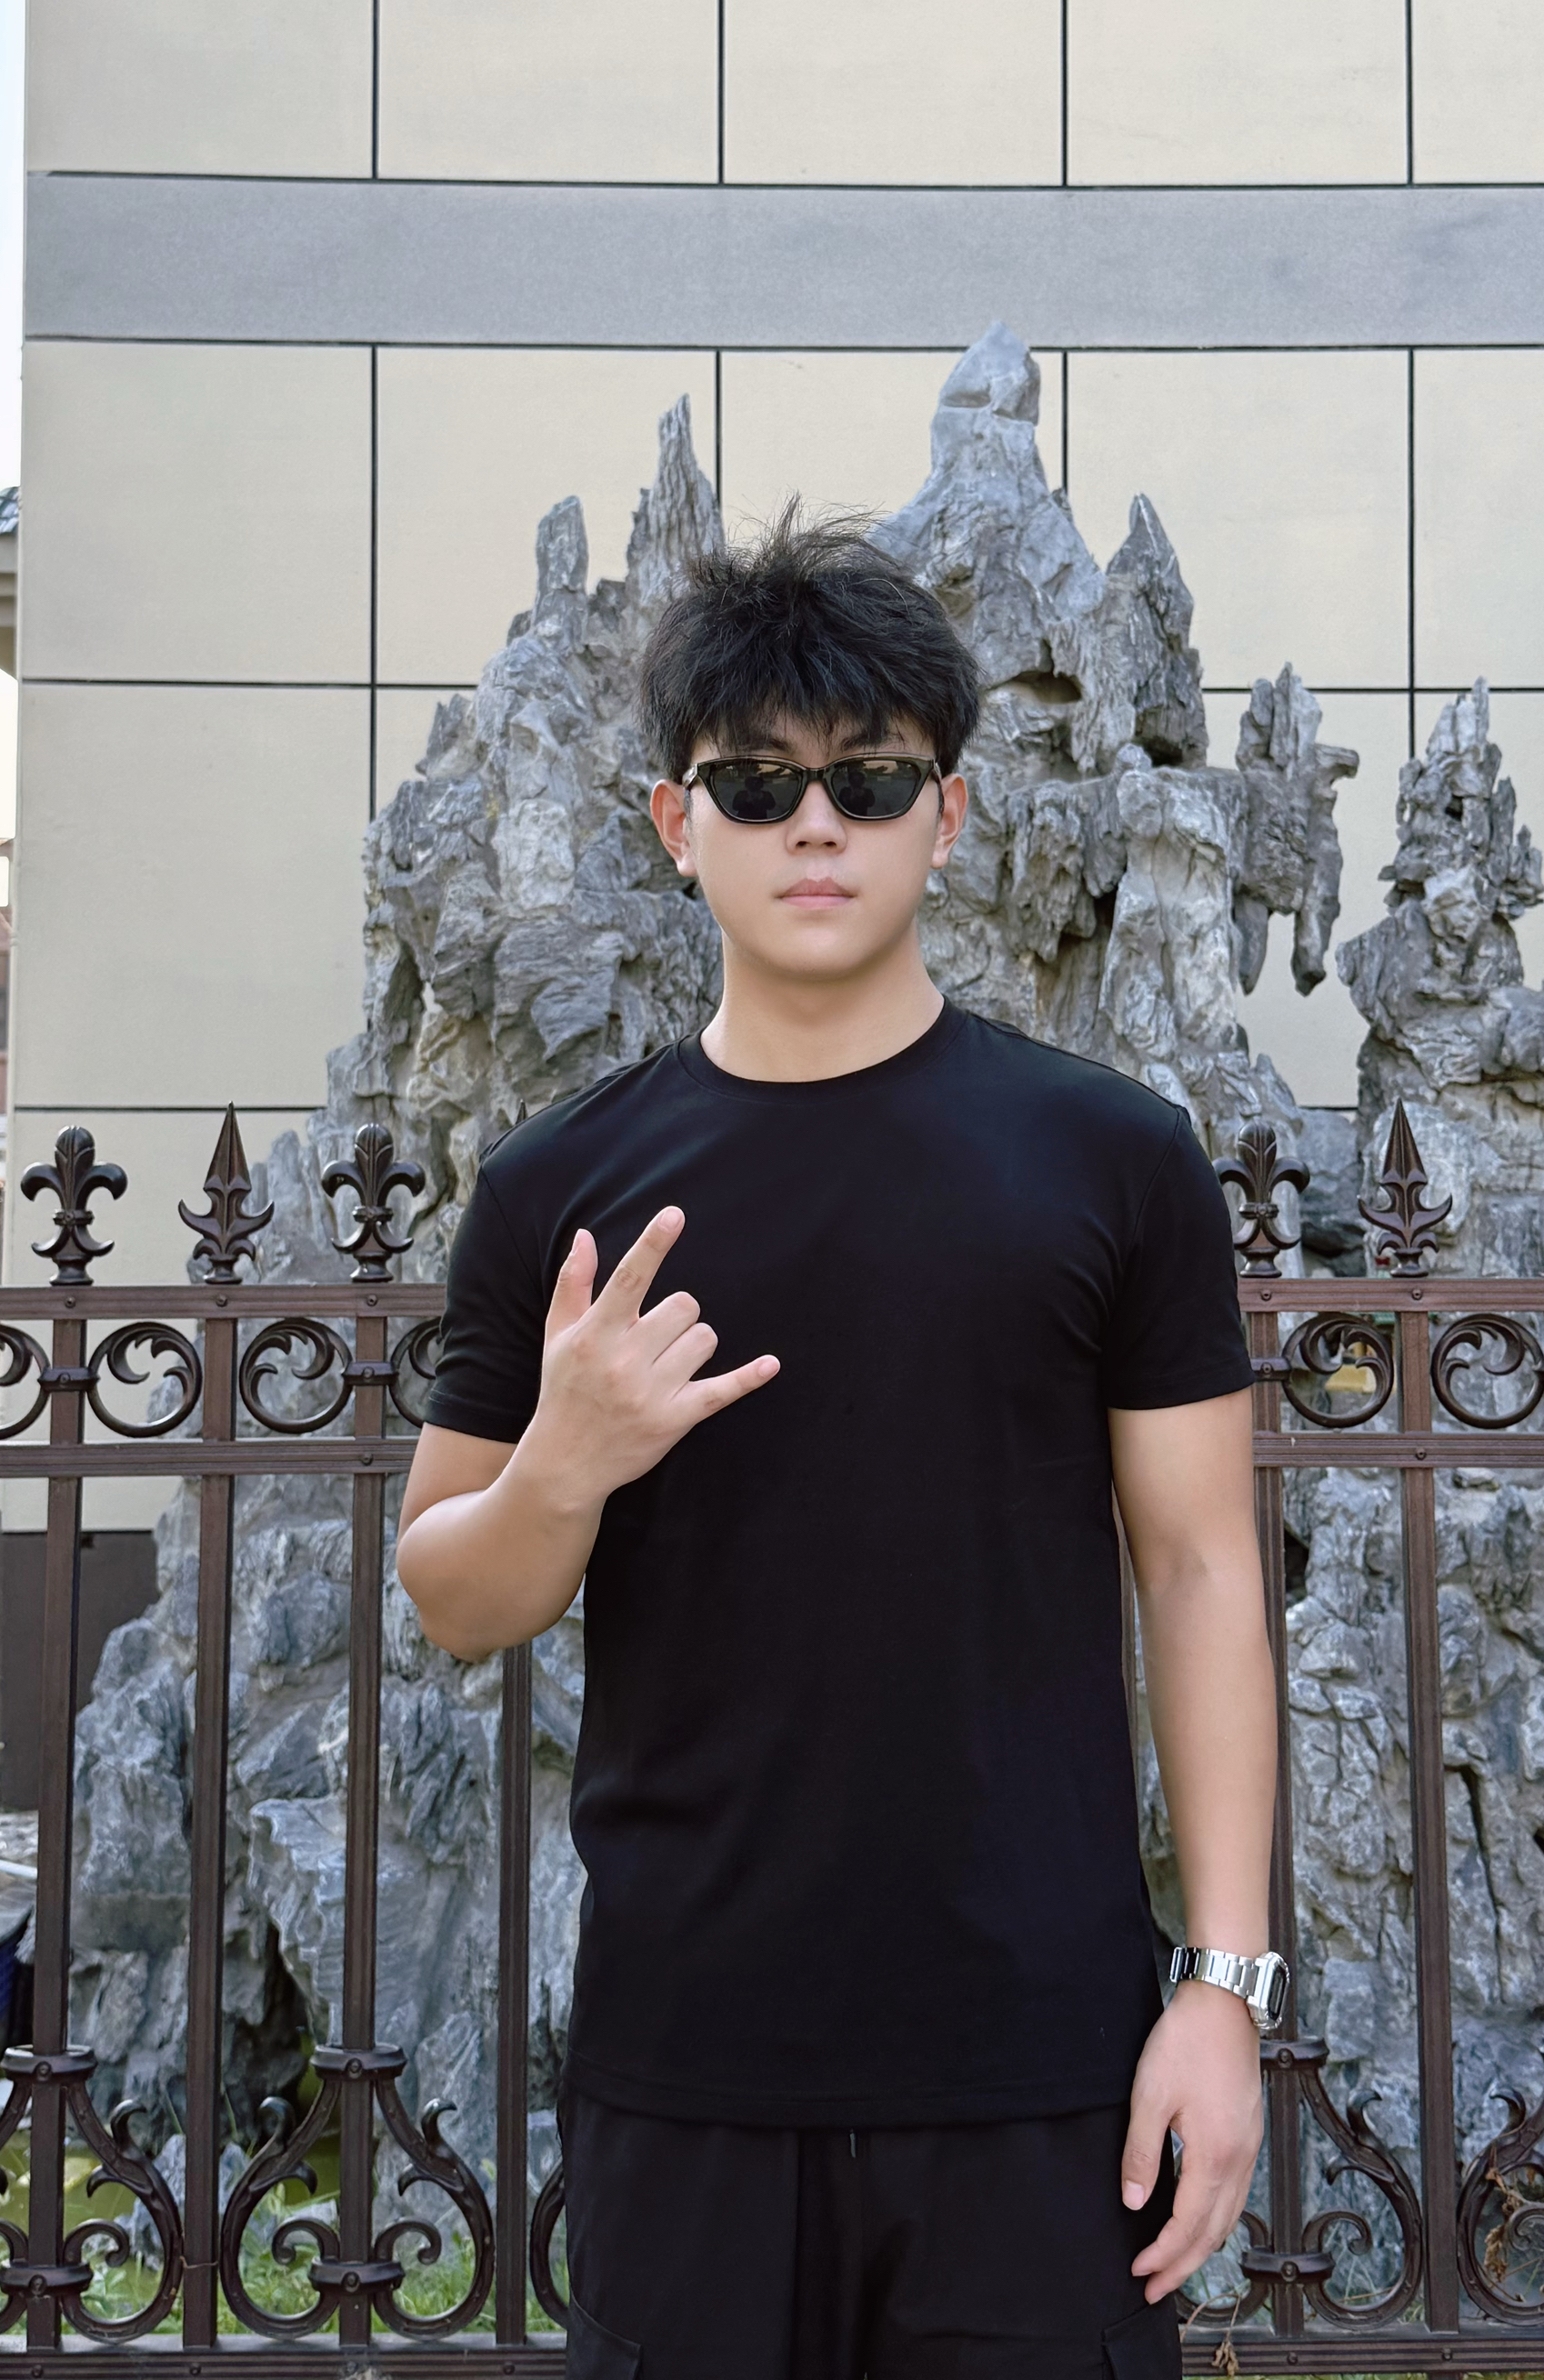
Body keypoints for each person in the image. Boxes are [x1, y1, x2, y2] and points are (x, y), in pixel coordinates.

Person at [396, 515, 1279, 2380]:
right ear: (675, 820)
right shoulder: (558, 1188)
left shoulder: (1111, 1161)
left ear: (945, 817)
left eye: (868, 780)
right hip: (687, 2060)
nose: (816, 825)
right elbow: (456, 1593)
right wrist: (566, 1457)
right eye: (759, 783)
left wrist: (1220, 1987)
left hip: (1037, 2060)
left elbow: (1202, 1567)